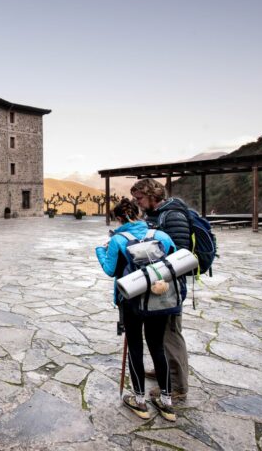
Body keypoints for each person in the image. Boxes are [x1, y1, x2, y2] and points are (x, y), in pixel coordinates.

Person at [96, 198, 177, 422]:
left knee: (134, 347)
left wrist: (99, 251)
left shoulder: (118, 240)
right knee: (158, 347)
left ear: (119, 218)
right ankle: (167, 403)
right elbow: (173, 262)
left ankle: (139, 401)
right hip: (160, 300)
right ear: (139, 214)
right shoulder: (161, 236)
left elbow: (110, 270)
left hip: (130, 300)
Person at [130, 178, 190, 402]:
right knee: (159, 333)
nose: (138, 203)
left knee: (170, 334)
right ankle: (162, 368)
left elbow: (181, 256)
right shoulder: (155, 215)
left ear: (152, 195)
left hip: (170, 285)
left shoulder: (173, 216)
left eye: (140, 198)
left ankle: (177, 386)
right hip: (157, 282)